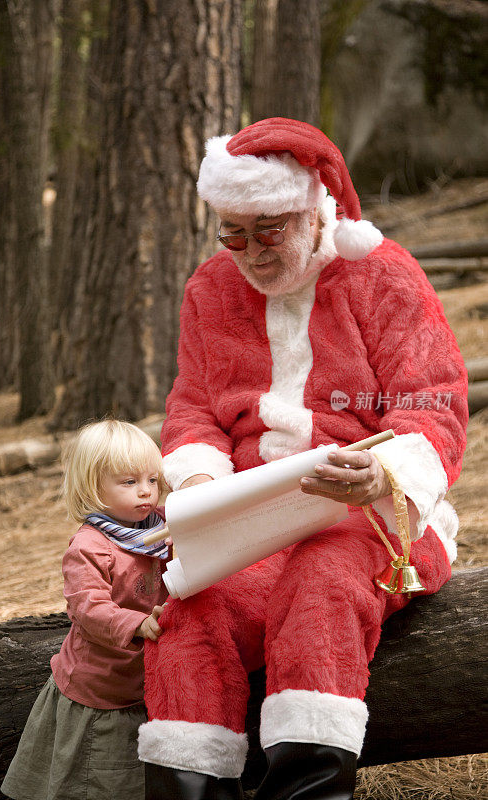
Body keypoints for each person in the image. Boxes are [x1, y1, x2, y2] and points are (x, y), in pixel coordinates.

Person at [137, 118, 469, 800]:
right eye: (232, 232)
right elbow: (193, 406)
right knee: (190, 605)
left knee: (321, 581)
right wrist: (202, 486)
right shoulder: (208, 290)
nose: (249, 252)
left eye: (268, 230)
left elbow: (431, 400)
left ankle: (310, 789)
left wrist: (383, 473)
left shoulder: (382, 276)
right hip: (247, 517)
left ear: (316, 212)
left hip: (373, 517)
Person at [1, 420, 169, 800]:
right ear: (93, 487)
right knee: (99, 781)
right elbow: (88, 608)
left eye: (152, 480)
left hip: (144, 682)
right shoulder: (90, 546)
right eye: (128, 482)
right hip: (101, 691)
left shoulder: (159, 531)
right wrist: (138, 623)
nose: (145, 491)